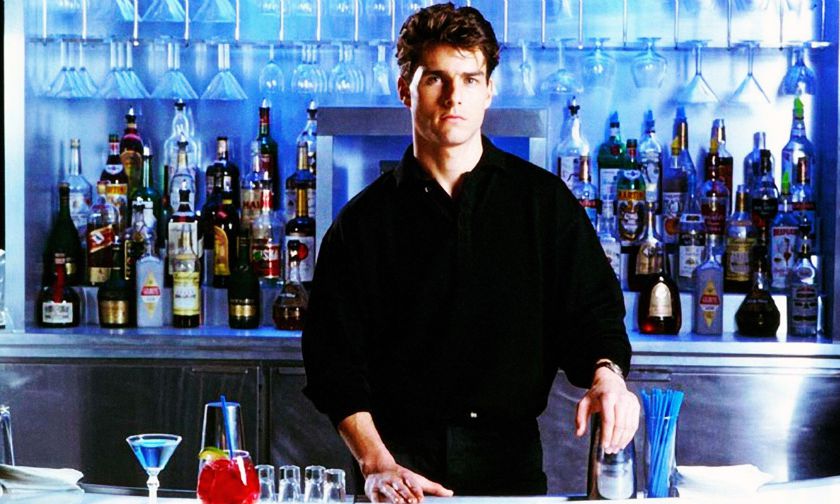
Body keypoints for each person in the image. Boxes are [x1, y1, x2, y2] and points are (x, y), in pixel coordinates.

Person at [302, 3, 639, 502]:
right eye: (435, 78)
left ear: (489, 90)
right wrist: (377, 464)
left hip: (512, 470)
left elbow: (594, 316)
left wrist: (608, 377)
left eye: (470, 79)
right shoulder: (361, 225)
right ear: (405, 89)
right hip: (399, 475)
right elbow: (334, 365)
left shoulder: (543, 204)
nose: (454, 96)